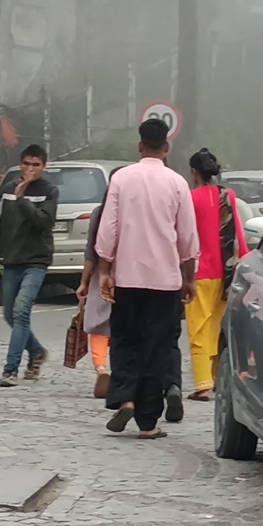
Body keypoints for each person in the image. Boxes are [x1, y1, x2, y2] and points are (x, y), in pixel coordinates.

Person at [95, 117, 197, 439]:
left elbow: (108, 229)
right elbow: (188, 239)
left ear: (139, 146)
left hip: (127, 277)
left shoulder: (122, 179)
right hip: (165, 281)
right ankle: (149, 423)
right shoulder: (178, 183)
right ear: (166, 147)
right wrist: (189, 279)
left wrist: (105, 271)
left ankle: (126, 399)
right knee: (156, 347)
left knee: (125, 340)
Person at [0, 144, 57, 387]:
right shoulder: (5, 190)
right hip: (12, 261)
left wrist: (22, 198)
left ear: (44, 167)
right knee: (9, 315)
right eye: (26, 164)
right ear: (20, 164)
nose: (30, 169)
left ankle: (10, 370)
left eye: (36, 165)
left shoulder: (49, 191)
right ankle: (36, 351)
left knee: (21, 311)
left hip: (36, 261)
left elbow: (43, 222)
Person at [184, 148, 249, 400]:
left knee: (198, 327)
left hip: (199, 272)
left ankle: (202, 383)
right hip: (226, 271)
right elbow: (238, 233)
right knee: (215, 327)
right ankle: (213, 378)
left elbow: (186, 237)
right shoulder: (228, 196)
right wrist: (244, 258)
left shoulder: (191, 198)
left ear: (194, 172)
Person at [76, 166, 128, 400]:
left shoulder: (100, 212)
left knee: (97, 323)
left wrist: (85, 281)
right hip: (128, 273)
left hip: (100, 273)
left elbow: (91, 250)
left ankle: (101, 368)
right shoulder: (132, 210)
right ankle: (120, 370)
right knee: (122, 324)